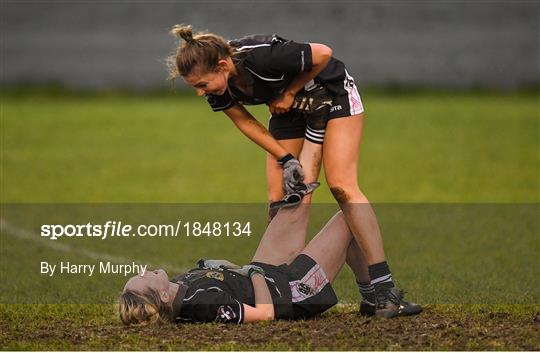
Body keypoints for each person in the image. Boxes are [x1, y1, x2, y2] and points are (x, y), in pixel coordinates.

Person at [166, 24, 415, 317]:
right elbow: (246, 122)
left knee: (341, 186)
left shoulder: (262, 58)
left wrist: (291, 91)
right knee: (281, 197)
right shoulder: (219, 88)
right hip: (289, 108)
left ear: (222, 65)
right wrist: (286, 159)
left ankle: (384, 289)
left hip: (332, 95)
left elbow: (323, 53)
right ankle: (287, 285)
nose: (200, 93)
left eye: (202, 84)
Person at [119, 205, 422, 325]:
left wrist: (229, 267)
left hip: (268, 274)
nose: (142, 271)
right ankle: (374, 295)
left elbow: (226, 280)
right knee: (349, 215)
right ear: (162, 297)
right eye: (141, 279)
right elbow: (265, 314)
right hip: (289, 291)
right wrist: (255, 273)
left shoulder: (179, 287)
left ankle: (300, 131)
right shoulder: (204, 304)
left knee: (294, 200)